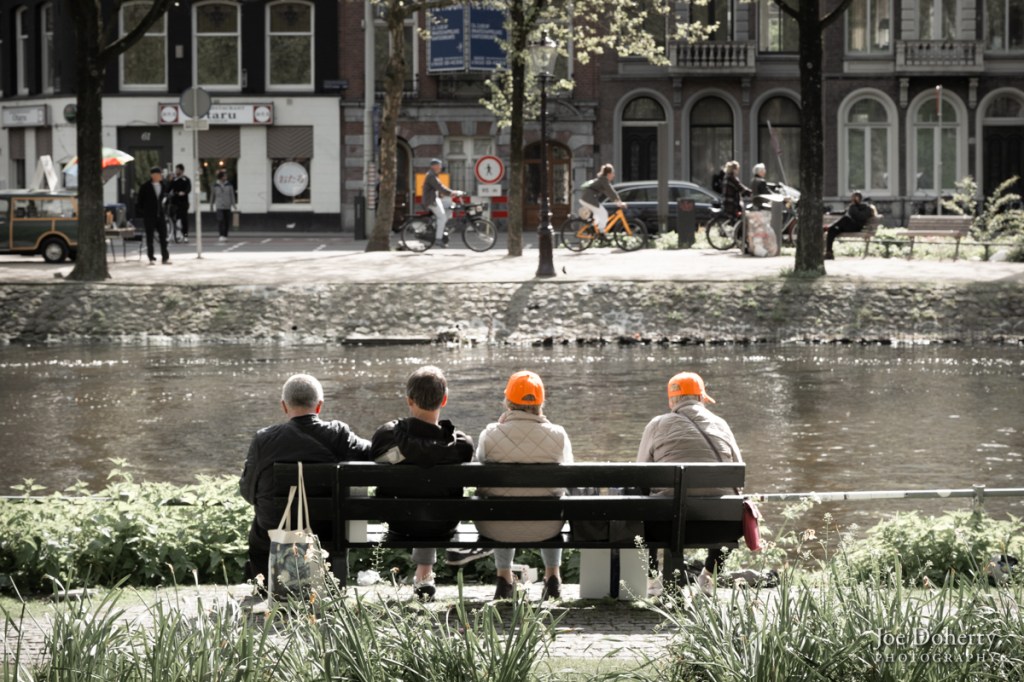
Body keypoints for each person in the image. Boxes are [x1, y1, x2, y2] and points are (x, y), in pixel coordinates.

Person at [239, 374, 372, 581]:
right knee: (333, 525)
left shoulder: (263, 440)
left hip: (276, 530)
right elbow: (375, 453)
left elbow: (248, 493)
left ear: (284, 406)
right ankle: (329, 583)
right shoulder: (339, 435)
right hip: (326, 530)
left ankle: (266, 586)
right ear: (319, 406)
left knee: (260, 527)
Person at [371, 366, 474, 600]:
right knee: (431, 503)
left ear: (409, 400)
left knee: (420, 501)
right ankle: (425, 574)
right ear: (444, 400)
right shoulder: (461, 446)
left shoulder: (385, 438)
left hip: (398, 522)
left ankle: (424, 575)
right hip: (442, 524)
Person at [637, 371, 743, 596]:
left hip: (665, 526)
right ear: (702, 398)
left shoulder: (657, 425)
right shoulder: (721, 425)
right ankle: (707, 577)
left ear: (671, 401)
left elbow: (641, 475)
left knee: (645, 501)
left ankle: (653, 579)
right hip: (722, 525)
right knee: (729, 502)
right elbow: (738, 472)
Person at [473, 371, 573, 600]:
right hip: (547, 526)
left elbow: (480, 464)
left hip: (496, 526)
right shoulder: (558, 435)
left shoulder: (490, 434)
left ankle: (504, 578)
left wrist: (499, 428)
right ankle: (553, 577)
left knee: (500, 501)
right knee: (553, 500)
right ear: (541, 402)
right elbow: (568, 474)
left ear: (508, 401)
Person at [135, 166, 171, 265]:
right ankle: (151, 258)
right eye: (159, 174)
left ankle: (165, 257)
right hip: (149, 216)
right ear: (153, 175)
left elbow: (166, 198)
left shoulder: (163, 185)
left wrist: (165, 207)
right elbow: (139, 202)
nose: (160, 176)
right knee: (150, 237)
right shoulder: (145, 187)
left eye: (160, 174)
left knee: (163, 236)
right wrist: (144, 213)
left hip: (161, 215)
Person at [579, 163, 626, 237]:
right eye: (612, 173)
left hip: (587, 199)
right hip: (588, 199)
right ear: (608, 174)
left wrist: (617, 202)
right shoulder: (604, 180)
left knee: (598, 215)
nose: (614, 175)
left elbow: (608, 193)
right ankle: (601, 233)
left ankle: (593, 229)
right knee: (604, 213)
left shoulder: (602, 180)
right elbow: (611, 191)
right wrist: (619, 202)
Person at [826, 191, 875, 260]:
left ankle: (828, 227)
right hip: (846, 226)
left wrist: (853, 207)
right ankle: (829, 253)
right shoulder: (853, 206)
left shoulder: (866, 208)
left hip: (856, 227)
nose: (852, 199)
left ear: (859, 198)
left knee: (845, 219)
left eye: (854, 198)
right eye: (852, 198)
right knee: (832, 230)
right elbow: (843, 212)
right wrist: (831, 213)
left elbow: (860, 217)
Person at [423, 159, 459, 246]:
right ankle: (438, 239)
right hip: (431, 201)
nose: (440, 167)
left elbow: (440, 187)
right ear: (434, 166)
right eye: (439, 165)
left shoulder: (433, 175)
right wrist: (452, 192)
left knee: (450, 206)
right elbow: (440, 187)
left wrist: (451, 193)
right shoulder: (431, 176)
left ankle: (439, 226)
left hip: (435, 199)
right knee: (442, 218)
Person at [211, 169, 236, 242]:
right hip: (219, 206)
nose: (226, 177)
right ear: (221, 177)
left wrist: (233, 204)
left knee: (227, 221)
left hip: (227, 206)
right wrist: (211, 205)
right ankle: (221, 235)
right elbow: (212, 195)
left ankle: (225, 235)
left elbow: (232, 195)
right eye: (225, 176)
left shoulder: (229, 185)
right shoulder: (215, 185)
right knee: (220, 220)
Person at [168, 164, 192, 242]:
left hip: (183, 202)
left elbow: (189, 188)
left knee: (184, 220)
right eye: (176, 169)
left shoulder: (186, 179)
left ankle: (185, 235)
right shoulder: (174, 180)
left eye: (177, 169)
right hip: (175, 203)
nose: (176, 171)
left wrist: (184, 192)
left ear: (181, 170)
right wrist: (170, 180)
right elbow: (168, 189)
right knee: (175, 219)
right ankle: (176, 234)